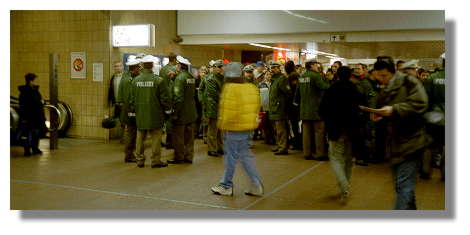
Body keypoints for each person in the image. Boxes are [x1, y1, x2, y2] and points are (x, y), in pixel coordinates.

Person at [366, 58, 429, 210]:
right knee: (402, 186)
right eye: (378, 76)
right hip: (396, 143)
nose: (381, 79)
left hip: (413, 141)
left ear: (392, 73)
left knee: (403, 186)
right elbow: (384, 108)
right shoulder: (386, 88)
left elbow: (421, 104)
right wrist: (379, 115)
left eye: (384, 76)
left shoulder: (410, 82)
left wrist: (394, 109)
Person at [211, 62, 263, 196]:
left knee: (230, 158)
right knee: (245, 157)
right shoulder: (251, 87)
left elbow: (228, 111)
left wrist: (222, 125)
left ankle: (226, 185)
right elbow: (256, 107)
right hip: (247, 128)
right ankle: (256, 184)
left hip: (233, 128)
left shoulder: (230, 88)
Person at [319, 66, 361, 205]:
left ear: (337, 75)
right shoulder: (355, 89)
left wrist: (329, 121)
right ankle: (346, 189)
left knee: (336, 159)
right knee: (349, 161)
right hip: (352, 130)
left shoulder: (331, 89)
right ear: (350, 75)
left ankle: (344, 187)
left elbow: (322, 110)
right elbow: (362, 108)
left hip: (335, 130)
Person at [130, 55, 171, 168]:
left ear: (142, 65)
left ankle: (139, 160)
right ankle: (155, 161)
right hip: (155, 115)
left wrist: (134, 112)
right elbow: (165, 99)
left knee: (140, 139)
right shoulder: (159, 80)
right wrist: (168, 111)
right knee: (156, 139)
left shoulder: (135, 81)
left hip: (140, 115)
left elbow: (132, 99)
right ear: (152, 66)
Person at [294, 60, 330, 160]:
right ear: (311, 66)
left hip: (304, 110)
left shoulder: (301, 77)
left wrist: (296, 102)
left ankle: (307, 153)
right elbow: (323, 87)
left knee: (306, 133)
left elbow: (297, 93)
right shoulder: (315, 76)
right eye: (316, 65)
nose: (317, 67)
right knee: (319, 132)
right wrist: (328, 82)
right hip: (316, 109)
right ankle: (320, 154)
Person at [168, 56, 198, 164]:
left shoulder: (180, 78)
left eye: (177, 65)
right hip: (191, 112)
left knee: (179, 137)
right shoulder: (191, 77)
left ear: (179, 66)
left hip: (182, 113)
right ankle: (189, 156)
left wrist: (174, 112)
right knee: (189, 137)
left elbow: (178, 97)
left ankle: (179, 157)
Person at [422, 53, 446, 180]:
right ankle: (446, 174)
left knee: (429, 146)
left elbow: (426, 99)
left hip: (433, 117)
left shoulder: (432, 77)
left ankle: (425, 171)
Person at [117, 59, 141, 163]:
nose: (140, 69)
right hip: (131, 110)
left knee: (130, 132)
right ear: (134, 68)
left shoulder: (125, 77)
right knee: (131, 133)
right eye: (138, 67)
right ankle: (129, 155)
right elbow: (131, 97)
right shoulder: (130, 80)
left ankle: (129, 154)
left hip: (126, 109)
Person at [18, 73, 46, 156]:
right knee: (27, 133)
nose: (37, 81)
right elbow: (23, 105)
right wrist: (23, 117)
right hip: (29, 116)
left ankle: (35, 148)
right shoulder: (25, 92)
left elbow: (39, 101)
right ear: (30, 81)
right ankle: (27, 150)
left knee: (36, 133)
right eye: (35, 80)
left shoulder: (35, 91)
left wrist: (41, 102)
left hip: (36, 116)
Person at [268, 60, 292, 155]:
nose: (273, 70)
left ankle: (283, 147)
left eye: (275, 68)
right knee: (276, 130)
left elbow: (288, 93)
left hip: (279, 109)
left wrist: (281, 103)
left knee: (281, 129)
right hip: (274, 108)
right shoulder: (274, 80)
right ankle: (279, 145)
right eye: (272, 68)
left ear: (279, 68)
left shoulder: (282, 79)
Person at [204, 59, 225, 157]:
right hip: (213, 106)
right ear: (214, 68)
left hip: (221, 106)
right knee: (212, 130)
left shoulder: (222, 78)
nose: (221, 69)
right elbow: (215, 94)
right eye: (220, 67)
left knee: (220, 130)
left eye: (222, 67)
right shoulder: (211, 79)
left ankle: (220, 147)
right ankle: (212, 149)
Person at [159, 52, 178, 149]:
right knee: (170, 119)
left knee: (163, 119)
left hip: (163, 96)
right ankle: (169, 141)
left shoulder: (162, 69)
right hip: (171, 96)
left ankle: (160, 140)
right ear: (174, 59)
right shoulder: (175, 69)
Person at [284, 60, 302, 150]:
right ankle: (297, 142)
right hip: (295, 104)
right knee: (296, 124)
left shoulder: (293, 76)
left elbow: (293, 90)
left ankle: (297, 143)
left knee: (294, 125)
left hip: (293, 105)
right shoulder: (296, 75)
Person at [108, 61, 124, 126]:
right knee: (118, 121)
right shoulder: (113, 78)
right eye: (116, 66)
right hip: (116, 103)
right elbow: (111, 89)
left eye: (119, 66)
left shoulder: (125, 78)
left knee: (124, 120)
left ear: (123, 67)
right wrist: (110, 100)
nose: (118, 68)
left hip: (124, 103)